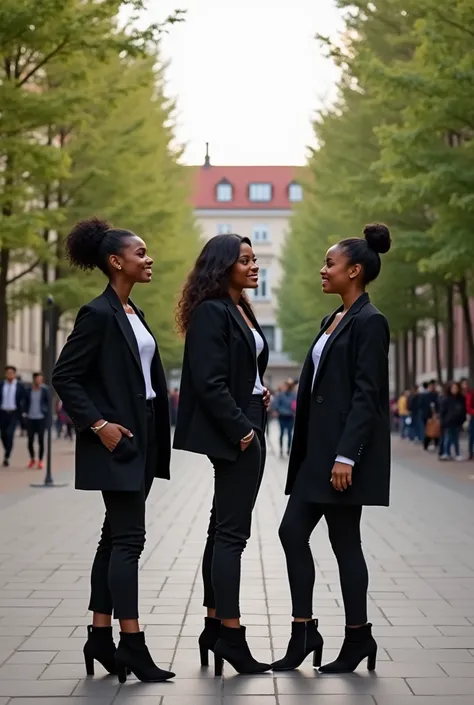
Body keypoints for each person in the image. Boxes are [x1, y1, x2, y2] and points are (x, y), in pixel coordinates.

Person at [52, 217, 174, 684]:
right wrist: (98, 424)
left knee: (113, 537)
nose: (149, 259)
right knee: (129, 541)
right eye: (141, 253)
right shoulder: (98, 313)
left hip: (139, 434)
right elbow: (66, 375)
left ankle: (100, 636)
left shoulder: (132, 313)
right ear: (116, 261)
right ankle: (132, 645)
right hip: (116, 437)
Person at [273, 223, 391, 674]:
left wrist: (348, 456)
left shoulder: (371, 321)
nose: (323, 270)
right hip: (314, 455)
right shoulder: (334, 319)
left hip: (340, 457)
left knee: (345, 544)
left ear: (354, 271)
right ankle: (304, 631)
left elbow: (367, 395)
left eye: (330, 264)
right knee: (291, 532)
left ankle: (358, 637)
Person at [173, 233, 272, 676]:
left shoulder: (238, 309)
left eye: (254, 260)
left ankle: (214, 627)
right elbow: (208, 381)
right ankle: (231, 634)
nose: (254, 267)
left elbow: (237, 369)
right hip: (238, 431)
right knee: (233, 535)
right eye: (245, 261)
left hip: (248, 418)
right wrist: (243, 431)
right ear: (222, 266)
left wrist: (258, 390)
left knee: (220, 530)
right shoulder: (213, 312)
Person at [0, 365, 26, 467]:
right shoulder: (2, 385)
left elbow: (23, 400)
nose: (9, 374)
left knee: (10, 433)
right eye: (8, 373)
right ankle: (7, 449)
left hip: (14, 413)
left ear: (14, 374)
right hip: (2, 413)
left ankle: (7, 456)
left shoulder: (19, 386)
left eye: (11, 373)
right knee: (3, 435)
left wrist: (23, 412)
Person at [24, 372, 50, 469]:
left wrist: (46, 414)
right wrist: (24, 413)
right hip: (31, 418)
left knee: (41, 440)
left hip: (41, 419)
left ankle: (40, 460)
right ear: (34, 379)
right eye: (38, 379)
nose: (39, 381)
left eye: (41, 379)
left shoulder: (45, 390)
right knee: (30, 441)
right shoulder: (28, 390)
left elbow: (48, 404)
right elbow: (25, 402)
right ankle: (32, 458)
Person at [439, 382, 466, 461]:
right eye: (453, 388)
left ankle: (457, 454)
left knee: (456, 438)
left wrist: (462, 419)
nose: (455, 390)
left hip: (457, 421)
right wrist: (443, 421)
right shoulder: (446, 398)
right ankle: (447, 453)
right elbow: (442, 411)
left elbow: (463, 410)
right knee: (447, 438)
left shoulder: (461, 398)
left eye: (456, 388)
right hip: (448, 422)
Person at [274, 380, 297, 457]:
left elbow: (276, 404)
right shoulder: (282, 395)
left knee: (286, 433)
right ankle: (283, 449)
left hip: (288, 416)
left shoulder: (293, 395)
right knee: (284, 433)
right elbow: (276, 404)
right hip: (284, 416)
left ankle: (287, 449)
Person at [420, 380, 440, 451]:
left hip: (435, 416)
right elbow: (422, 406)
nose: (432, 387)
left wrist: (437, 413)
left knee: (437, 430)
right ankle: (426, 444)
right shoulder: (424, 395)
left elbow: (439, 405)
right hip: (427, 416)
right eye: (431, 386)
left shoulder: (436, 395)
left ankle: (436, 444)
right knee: (428, 431)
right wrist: (427, 416)